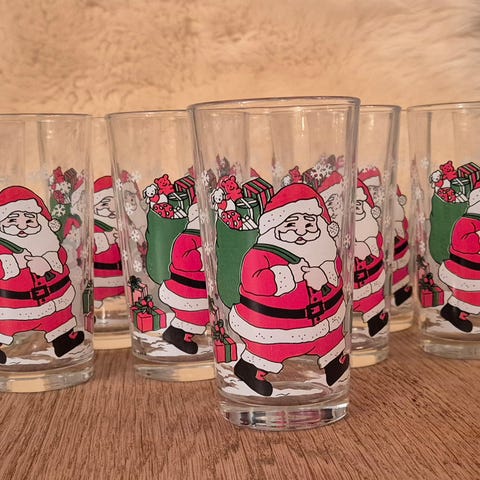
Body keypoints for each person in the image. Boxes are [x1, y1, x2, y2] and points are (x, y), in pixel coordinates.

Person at [229, 183, 349, 396]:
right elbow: (254, 279)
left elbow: (337, 268)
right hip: (275, 325)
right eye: (291, 224)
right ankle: (251, 368)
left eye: (309, 224)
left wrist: (324, 272)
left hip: (323, 319)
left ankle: (333, 364)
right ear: (274, 226)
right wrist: (292, 273)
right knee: (271, 350)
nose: (301, 231)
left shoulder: (324, 252)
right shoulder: (260, 254)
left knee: (328, 340)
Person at [0, 186, 84, 363]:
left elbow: (61, 256)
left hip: (53, 298)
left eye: (29, 220)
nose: (22, 226)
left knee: (58, 318)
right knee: (5, 326)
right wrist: (15, 262)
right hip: (15, 305)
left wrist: (47, 262)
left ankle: (63, 341)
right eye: (12, 220)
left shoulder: (49, 243)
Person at [159, 201, 209, 354]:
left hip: (197, 290)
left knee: (196, 316)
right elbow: (184, 259)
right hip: (184, 290)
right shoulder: (187, 238)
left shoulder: (204, 237)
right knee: (192, 315)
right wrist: (204, 255)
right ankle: (178, 335)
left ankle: (177, 334)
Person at [438, 183, 480, 332]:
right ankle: (455, 312)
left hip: (473, 272)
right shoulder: (465, 223)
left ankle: (452, 310)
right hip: (462, 270)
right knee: (472, 296)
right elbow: (463, 242)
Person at [353, 179, 389, 337]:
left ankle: (375, 321)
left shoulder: (372, 235)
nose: (356, 208)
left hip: (372, 279)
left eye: (359, 204)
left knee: (374, 299)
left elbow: (379, 244)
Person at [93, 176, 124, 308]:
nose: (111, 209)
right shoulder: (94, 227)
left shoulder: (124, 224)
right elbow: (85, 249)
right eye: (104, 204)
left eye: (115, 202)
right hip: (101, 280)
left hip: (123, 280)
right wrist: (105, 238)